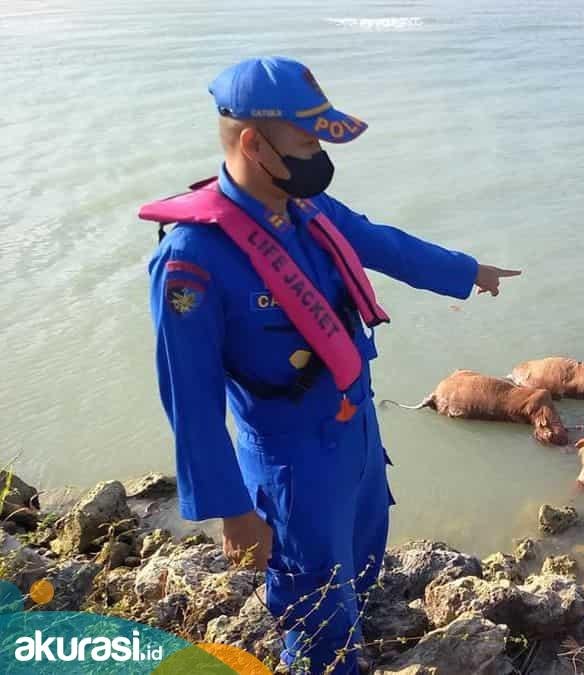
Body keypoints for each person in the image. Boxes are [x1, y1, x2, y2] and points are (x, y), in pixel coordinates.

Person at [139, 56, 519, 674]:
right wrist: (233, 510)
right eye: (307, 138)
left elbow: (385, 243)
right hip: (291, 461)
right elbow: (190, 397)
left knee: (363, 561)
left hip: (356, 435)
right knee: (315, 608)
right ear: (254, 143)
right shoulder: (193, 259)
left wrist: (466, 271)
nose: (318, 153)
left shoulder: (307, 211)